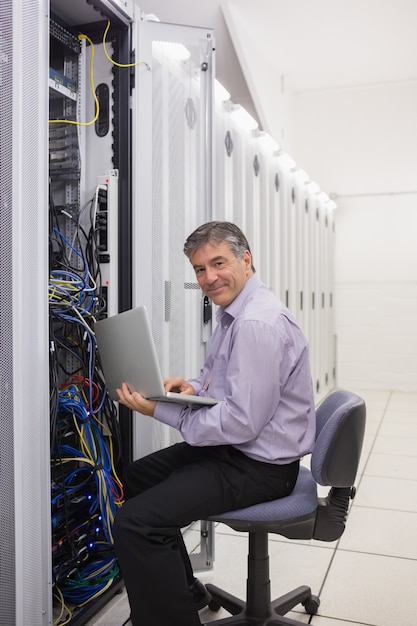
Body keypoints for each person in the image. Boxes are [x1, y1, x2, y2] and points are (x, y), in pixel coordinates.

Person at [114, 221, 316, 626]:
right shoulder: (233, 313)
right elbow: (222, 384)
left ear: (246, 259)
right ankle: (183, 591)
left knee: (136, 522)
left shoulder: (256, 323)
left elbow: (240, 422)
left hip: (260, 466)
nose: (208, 277)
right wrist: (185, 387)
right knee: (136, 479)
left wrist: (160, 410)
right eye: (199, 270)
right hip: (238, 450)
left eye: (217, 263)